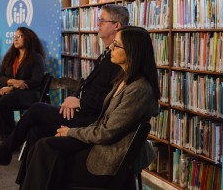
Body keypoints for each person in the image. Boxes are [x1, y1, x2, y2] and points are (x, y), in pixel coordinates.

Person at [0, 5, 129, 169]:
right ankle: (26, 176)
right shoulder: (107, 54)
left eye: (102, 20)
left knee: (37, 109)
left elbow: (110, 98)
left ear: (116, 25)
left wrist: (80, 103)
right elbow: (1, 76)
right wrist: (76, 98)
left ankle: (3, 152)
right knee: (34, 130)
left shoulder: (119, 59)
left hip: (88, 118)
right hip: (81, 108)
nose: (98, 24)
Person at [19, 26, 159, 189]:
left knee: (47, 154)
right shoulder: (124, 79)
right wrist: (71, 132)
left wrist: (71, 132)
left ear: (133, 51)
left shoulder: (139, 89)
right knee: (43, 145)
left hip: (107, 158)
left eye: (117, 45)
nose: (111, 47)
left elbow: (106, 132)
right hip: (101, 145)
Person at [0, 27, 46, 140]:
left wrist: (12, 88)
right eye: (14, 37)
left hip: (28, 93)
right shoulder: (10, 56)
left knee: (2, 103)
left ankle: (9, 137)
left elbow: (36, 81)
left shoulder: (36, 57)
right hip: (9, 90)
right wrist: (11, 82)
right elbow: (0, 77)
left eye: (19, 36)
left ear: (28, 38)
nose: (15, 39)